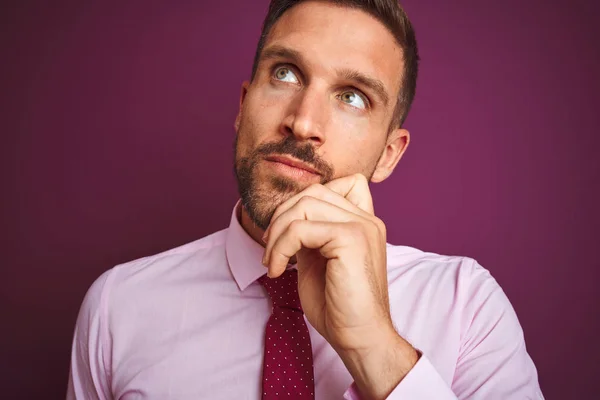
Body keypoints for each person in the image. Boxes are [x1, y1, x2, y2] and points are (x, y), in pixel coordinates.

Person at [67, 0, 544, 399]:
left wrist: (373, 345)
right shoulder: (118, 307)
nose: (303, 122)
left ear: (389, 155)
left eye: (353, 97)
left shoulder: (467, 306)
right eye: (286, 73)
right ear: (243, 106)